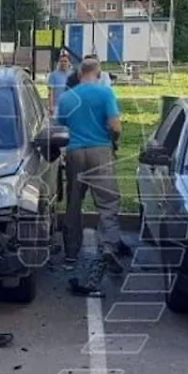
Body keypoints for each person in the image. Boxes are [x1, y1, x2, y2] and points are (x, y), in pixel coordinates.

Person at [57, 56, 124, 273]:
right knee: (107, 201)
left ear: (79, 74)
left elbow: (61, 128)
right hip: (100, 151)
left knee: (74, 202)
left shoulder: (66, 97)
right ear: (99, 72)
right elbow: (115, 126)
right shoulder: (105, 93)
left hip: (75, 152)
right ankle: (108, 247)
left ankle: (70, 253)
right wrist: (113, 141)